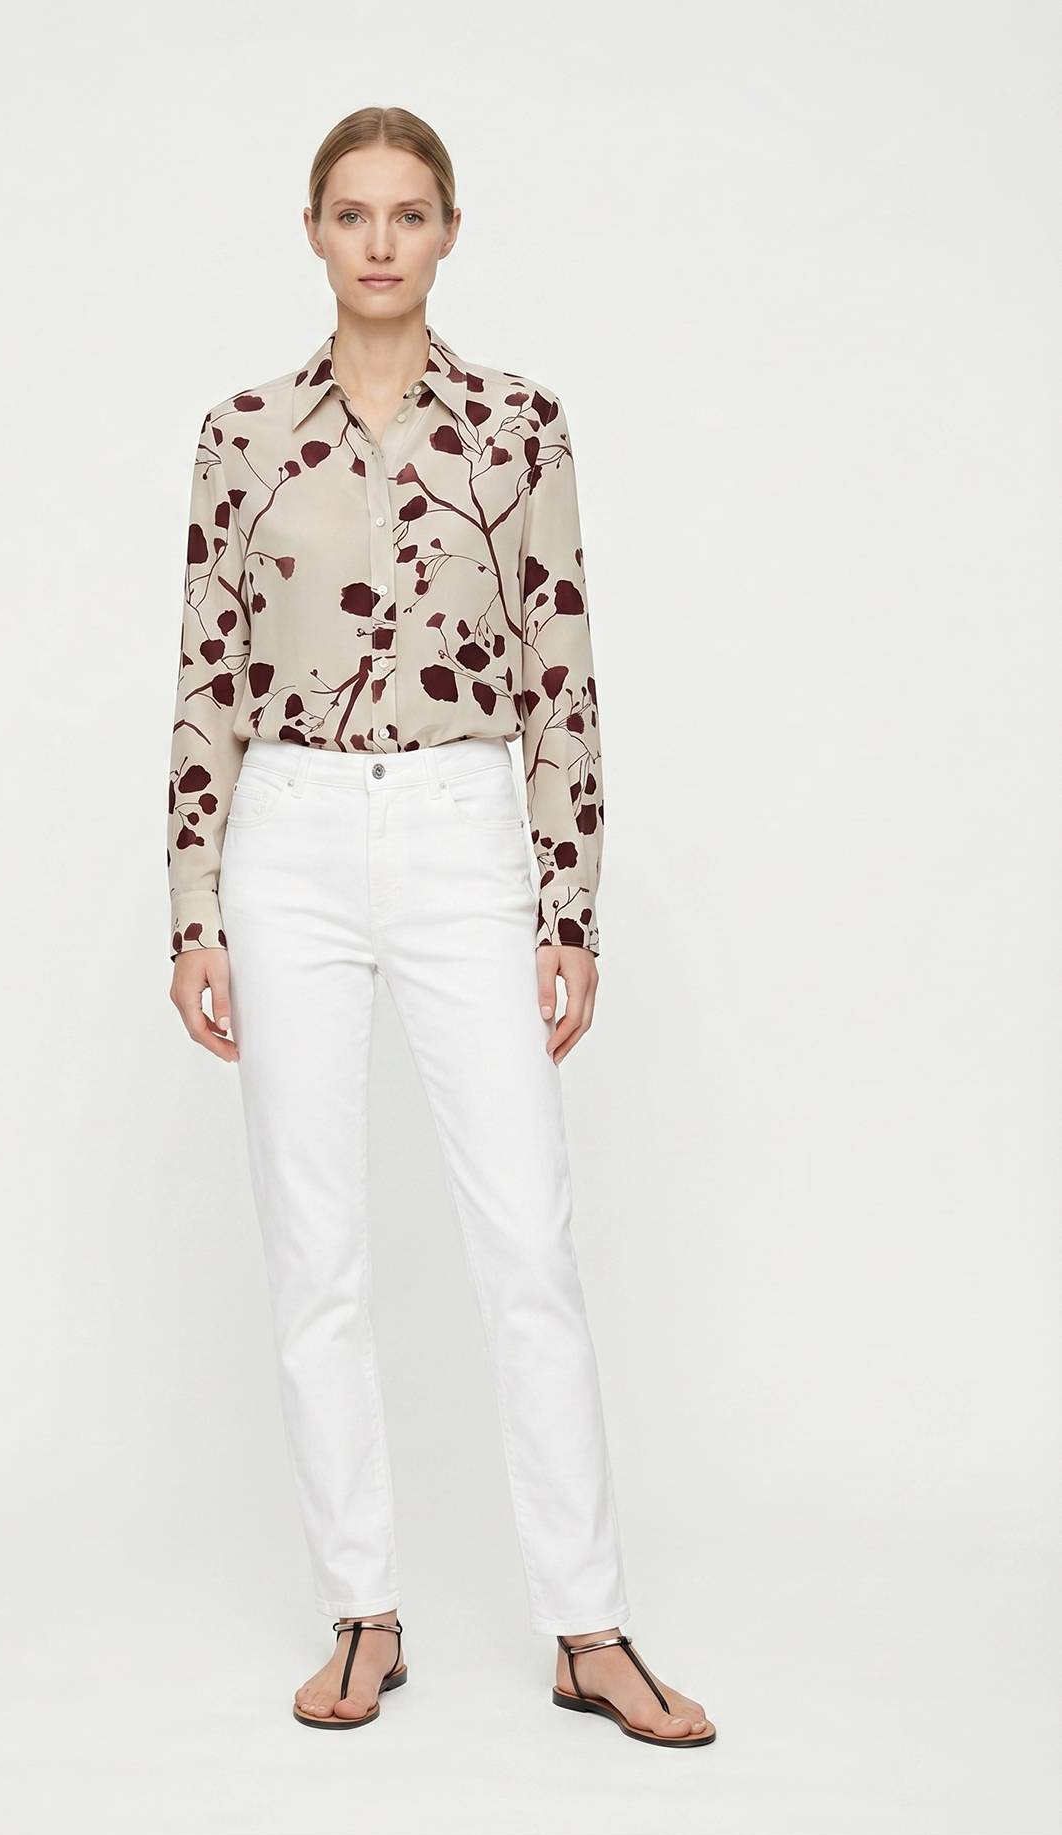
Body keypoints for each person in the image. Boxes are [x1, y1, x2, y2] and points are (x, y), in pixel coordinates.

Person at [166, 105, 715, 1747]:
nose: (382, 242)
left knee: (527, 1238)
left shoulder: (520, 427)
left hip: (466, 831)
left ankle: (588, 1626)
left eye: (409, 213)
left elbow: (562, 664)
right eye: (354, 214)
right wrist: (193, 907)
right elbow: (206, 672)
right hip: (289, 836)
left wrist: (572, 901)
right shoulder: (242, 433)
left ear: (451, 231)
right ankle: (363, 1610)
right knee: (314, 1245)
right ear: (314, 232)